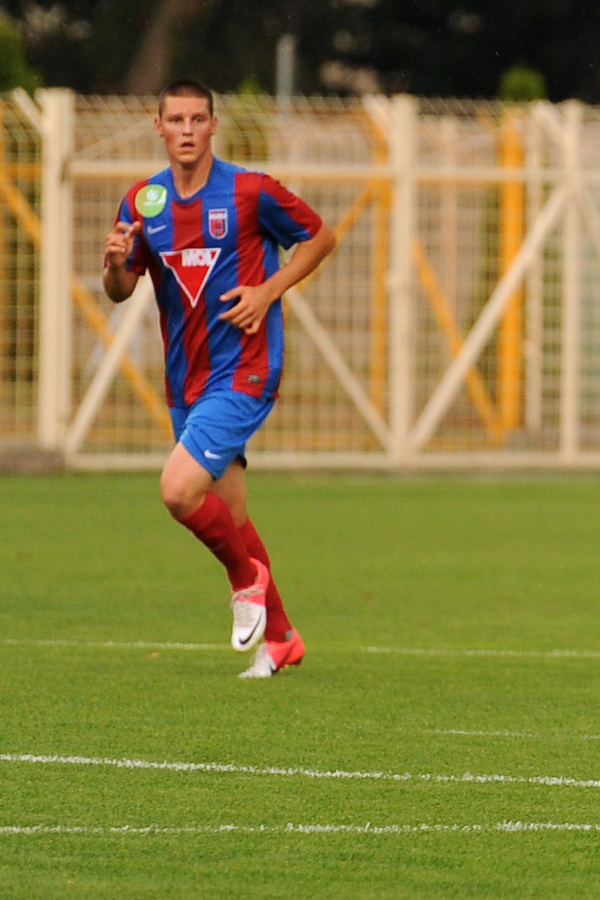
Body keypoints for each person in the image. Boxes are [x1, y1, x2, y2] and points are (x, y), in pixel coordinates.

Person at [102, 79, 337, 677]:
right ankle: (281, 638)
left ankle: (244, 580)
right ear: (159, 126)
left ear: (213, 125)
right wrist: (114, 266)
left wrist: (268, 290)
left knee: (177, 490)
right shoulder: (143, 202)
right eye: (175, 120)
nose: (186, 130)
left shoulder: (250, 192)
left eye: (197, 119)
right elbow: (121, 290)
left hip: (246, 370)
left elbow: (321, 236)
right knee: (229, 516)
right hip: (187, 380)